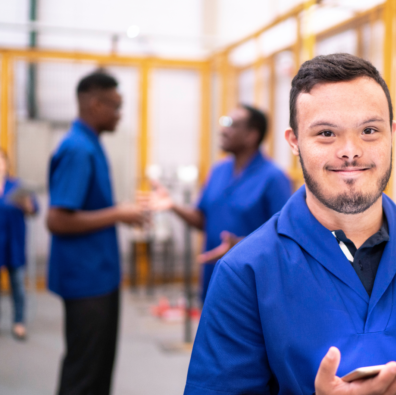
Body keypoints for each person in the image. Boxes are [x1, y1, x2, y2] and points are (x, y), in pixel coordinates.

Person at [184, 54, 396, 395]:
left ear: (391, 134)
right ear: (294, 142)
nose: (350, 151)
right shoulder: (245, 272)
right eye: (326, 133)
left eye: (369, 130)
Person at [47, 71, 146, 395]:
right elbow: (57, 219)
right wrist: (118, 213)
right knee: (85, 373)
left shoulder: (90, 143)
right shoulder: (78, 149)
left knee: (97, 367)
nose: (119, 114)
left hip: (96, 276)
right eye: (115, 106)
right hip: (86, 280)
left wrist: (120, 211)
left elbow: (85, 205)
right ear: (94, 104)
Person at [150, 104, 291, 303]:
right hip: (213, 276)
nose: (223, 130)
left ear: (251, 135)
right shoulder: (218, 171)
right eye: (224, 122)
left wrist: (241, 245)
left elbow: (286, 238)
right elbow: (202, 220)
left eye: (231, 124)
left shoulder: (274, 178)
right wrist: (173, 205)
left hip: (250, 281)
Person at [0, 149, 37, 341]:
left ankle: (18, 323)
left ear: (7, 163)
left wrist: (26, 204)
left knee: (18, 286)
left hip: (14, 243)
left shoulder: (16, 186)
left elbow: (33, 210)